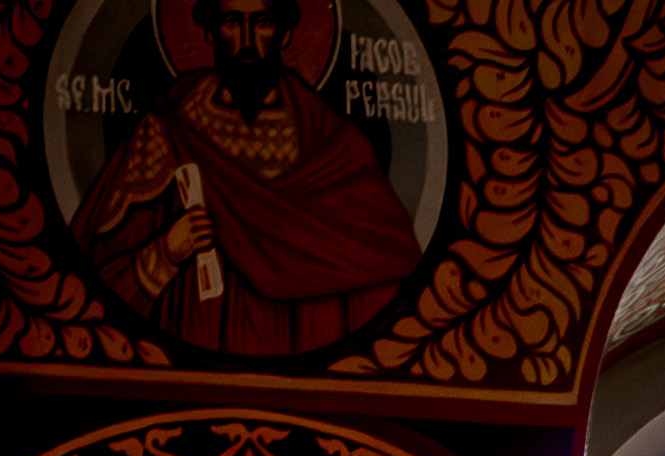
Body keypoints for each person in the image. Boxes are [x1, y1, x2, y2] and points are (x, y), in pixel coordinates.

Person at [71, 0, 423, 359]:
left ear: (285, 35)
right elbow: (93, 284)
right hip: (194, 348)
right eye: (232, 22)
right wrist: (165, 253)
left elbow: (389, 263)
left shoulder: (332, 146)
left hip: (300, 356)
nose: (248, 40)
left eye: (263, 22)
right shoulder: (167, 133)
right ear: (210, 33)